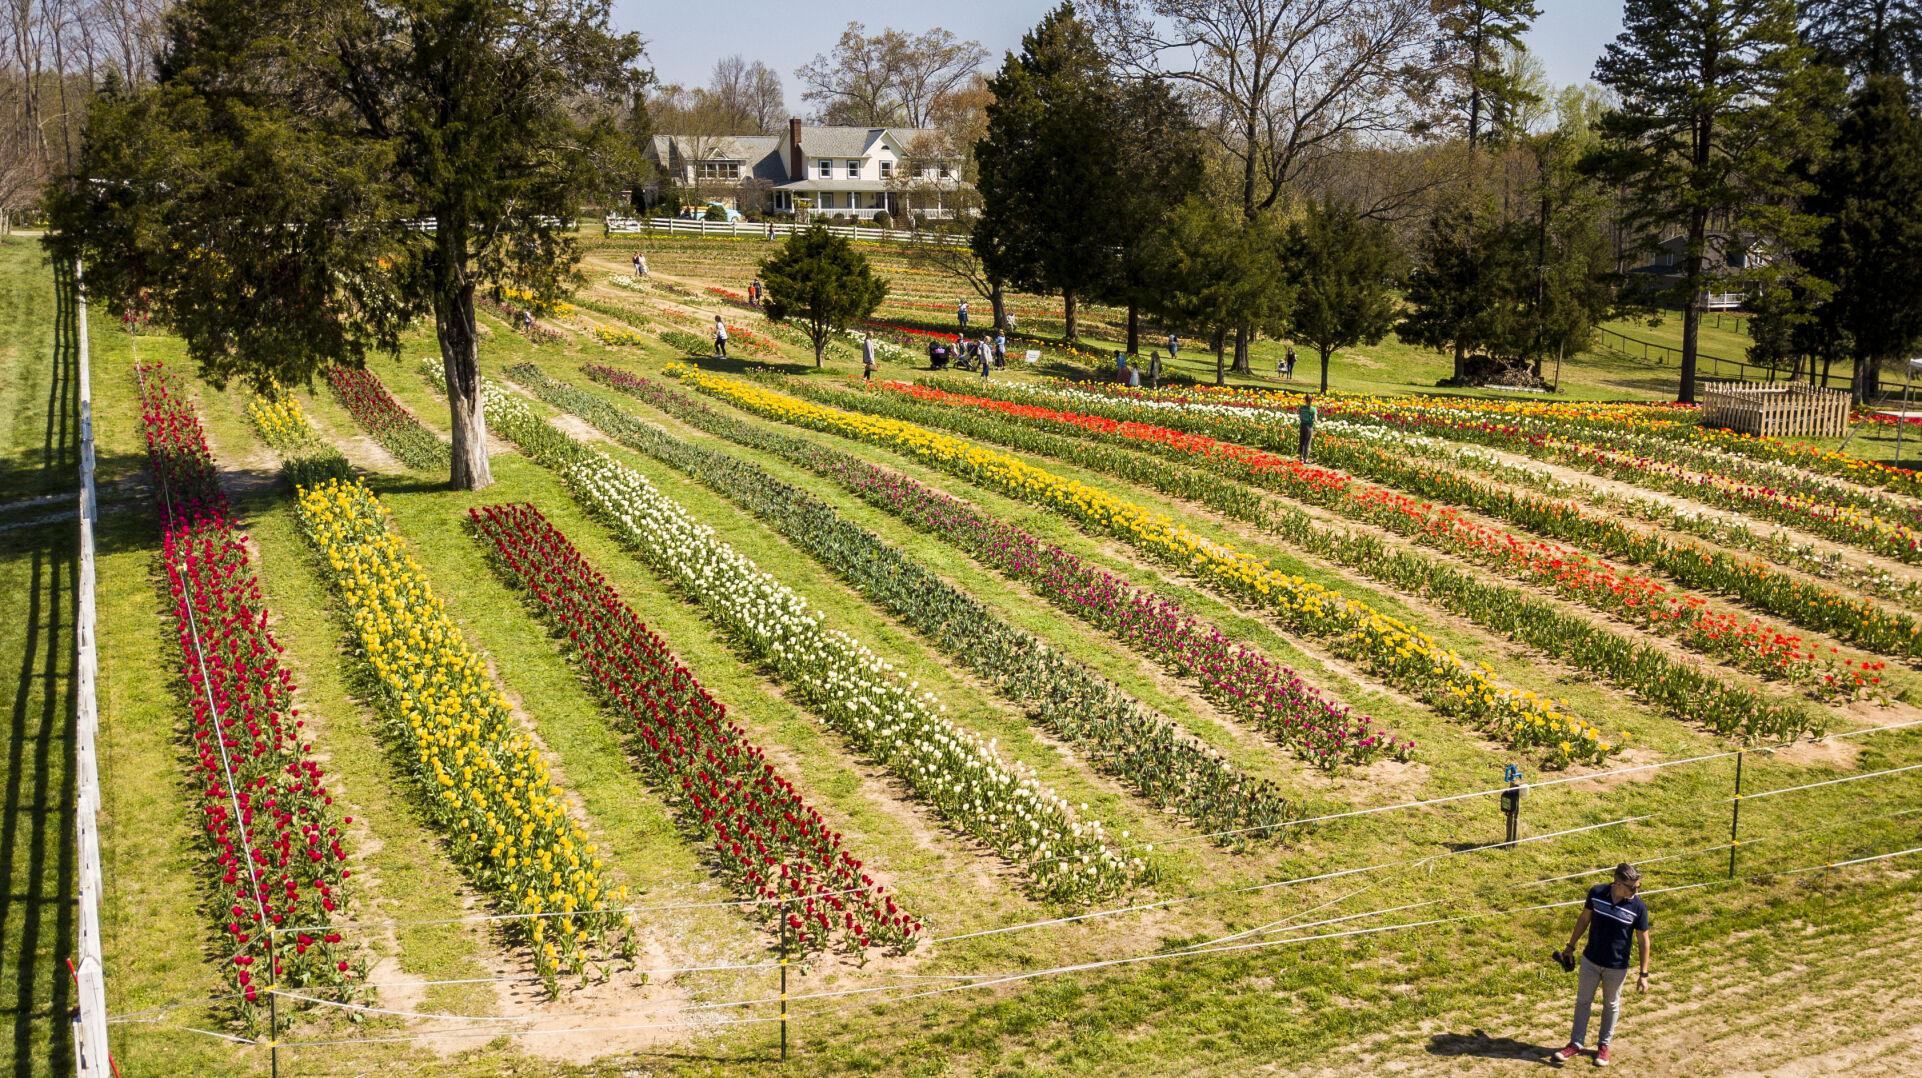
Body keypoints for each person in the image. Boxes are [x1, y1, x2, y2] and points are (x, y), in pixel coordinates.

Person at [1550, 864, 1652, 1068]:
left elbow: (1643, 941)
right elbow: (1584, 919)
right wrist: (1570, 947)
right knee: (1582, 1002)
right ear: (1617, 883)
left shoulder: (1638, 907)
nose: (1636, 891)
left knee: (1611, 1005)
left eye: (1638, 886)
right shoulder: (1596, 893)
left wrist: (1644, 974)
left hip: (1617, 966)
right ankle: (1575, 1043)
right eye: (1632, 887)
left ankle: (1604, 1046)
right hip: (1590, 960)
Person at [1297, 393, 1317, 462]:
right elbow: (1315, 419)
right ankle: (1306, 458)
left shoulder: (1302, 408)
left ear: (1305, 400)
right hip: (1309, 427)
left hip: (1302, 425)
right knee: (1307, 442)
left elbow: (1300, 416)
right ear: (1312, 400)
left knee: (1302, 441)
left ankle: (1301, 457)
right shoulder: (1313, 409)